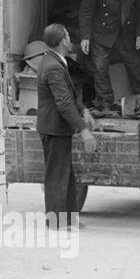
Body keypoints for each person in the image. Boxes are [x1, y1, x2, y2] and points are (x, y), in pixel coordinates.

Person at [34, 24, 97, 227]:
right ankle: (55, 221)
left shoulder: (55, 61)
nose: (70, 39)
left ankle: (69, 219)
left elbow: (68, 95)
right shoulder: (53, 66)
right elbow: (63, 103)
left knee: (66, 174)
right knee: (56, 176)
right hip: (54, 129)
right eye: (68, 35)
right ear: (63, 41)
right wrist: (84, 130)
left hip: (57, 128)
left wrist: (83, 110)